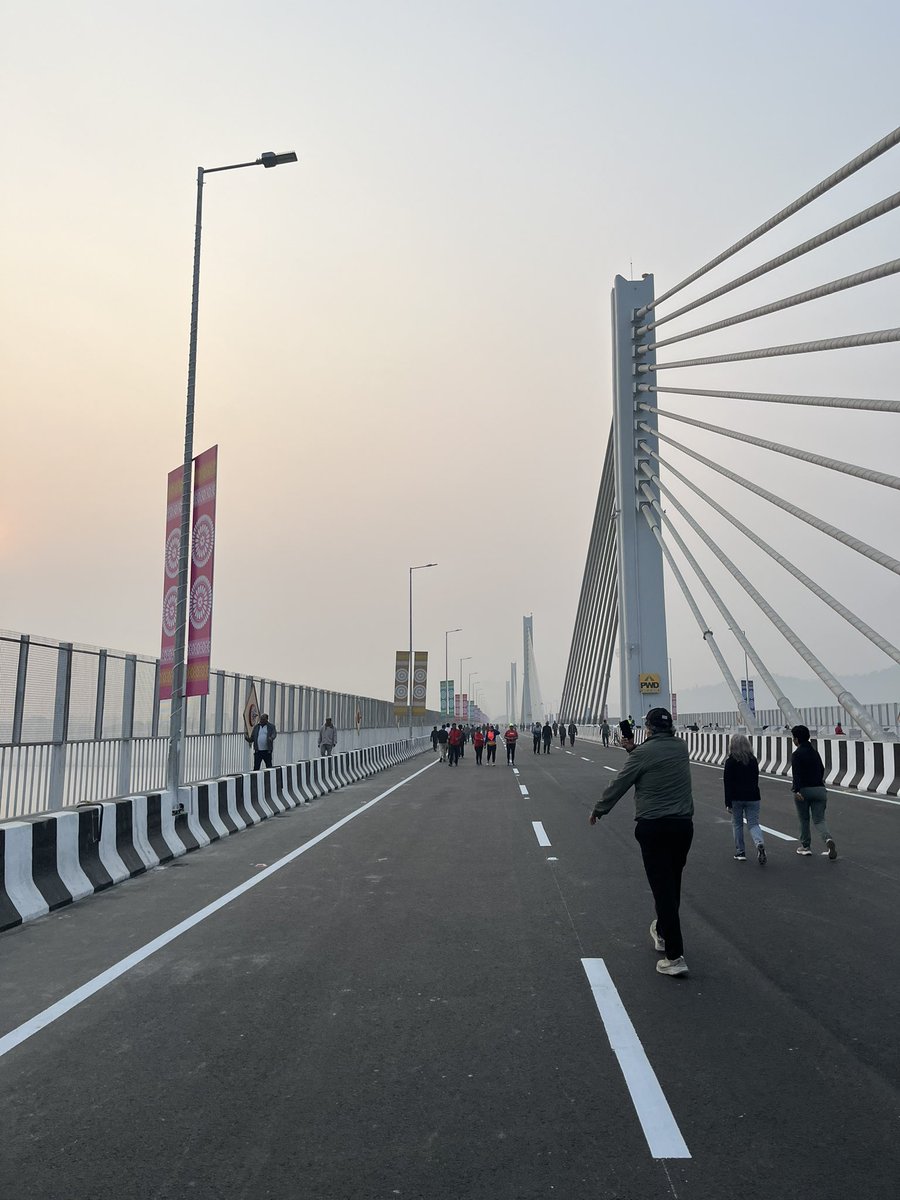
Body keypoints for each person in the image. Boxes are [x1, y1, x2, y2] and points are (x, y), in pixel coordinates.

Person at [589, 707, 693, 978]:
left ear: (647, 728)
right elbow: (656, 758)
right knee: (673, 882)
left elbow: (621, 782)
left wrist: (600, 809)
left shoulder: (644, 753)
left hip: (654, 826)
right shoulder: (682, 748)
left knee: (662, 889)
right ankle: (662, 931)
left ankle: (674, 955)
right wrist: (634, 749)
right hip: (683, 826)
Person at [791, 725, 837, 859]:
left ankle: (805, 847)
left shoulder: (797, 754)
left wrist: (797, 790)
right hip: (820, 789)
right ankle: (828, 839)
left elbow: (797, 774)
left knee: (804, 819)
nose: (793, 740)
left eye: (793, 738)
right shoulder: (815, 752)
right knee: (819, 820)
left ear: (797, 739)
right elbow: (822, 769)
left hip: (804, 790)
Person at [723, 733, 766, 864]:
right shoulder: (753, 760)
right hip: (753, 796)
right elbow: (755, 779)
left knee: (737, 824)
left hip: (736, 797)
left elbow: (727, 783)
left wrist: (728, 802)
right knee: (753, 823)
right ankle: (759, 842)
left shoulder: (730, 761)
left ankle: (740, 852)